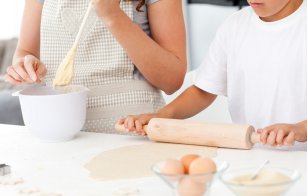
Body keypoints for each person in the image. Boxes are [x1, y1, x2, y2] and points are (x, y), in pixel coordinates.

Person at [119, 0, 307, 151]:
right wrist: (161, 116)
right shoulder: (235, 26)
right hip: (254, 160)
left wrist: (303, 129)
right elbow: (203, 90)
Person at [5, 0, 187, 133]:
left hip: (132, 133)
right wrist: (25, 63)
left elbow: (172, 80)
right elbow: (25, 51)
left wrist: (112, 15)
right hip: (60, 134)